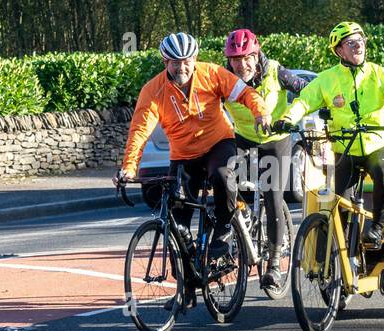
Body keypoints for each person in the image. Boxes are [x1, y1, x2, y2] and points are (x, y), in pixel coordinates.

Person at [116, 32, 270, 259]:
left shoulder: (213, 73)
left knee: (222, 175)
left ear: (195, 59)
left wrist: (261, 113)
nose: (182, 68)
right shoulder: (152, 91)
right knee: (178, 221)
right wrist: (129, 168)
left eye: (187, 62)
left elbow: (246, 93)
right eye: (175, 63)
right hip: (183, 155)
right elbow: (139, 132)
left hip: (218, 143)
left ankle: (224, 229)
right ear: (165, 62)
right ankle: (187, 281)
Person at [277, 21, 384, 247]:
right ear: (339, 50)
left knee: (382, 175)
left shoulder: (377, 73)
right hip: (344, 148)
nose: (358, 46)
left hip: (374, 145)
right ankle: (335, 255)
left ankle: (377, 227)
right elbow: (304, 101)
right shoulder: (327, 79)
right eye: (350, 43)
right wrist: (286, 119)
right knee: (337, 203)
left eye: (360, 41)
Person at [221, 28, 313, 291]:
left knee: (273, 196)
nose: (241, 65)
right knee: (222, 182)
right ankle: (244, 216)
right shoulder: (224, 78)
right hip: (243, 138)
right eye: (235, 60)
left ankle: (273, 262)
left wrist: (295, 118)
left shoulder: (275, 71)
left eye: (247, 57)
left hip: (275, 141)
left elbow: (307, 90)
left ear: (256, 53)